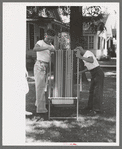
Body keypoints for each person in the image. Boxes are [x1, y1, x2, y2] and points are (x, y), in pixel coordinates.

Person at [75, 46, 104, 114]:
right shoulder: (84, 56)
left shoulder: (87, 53)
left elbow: (91, 60)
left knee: (97, 91)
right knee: (91, 91)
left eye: (77, 51)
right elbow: (89, 66)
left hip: (98, 73)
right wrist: (81, 72)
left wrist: (80, 57)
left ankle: (97, 109)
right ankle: (90, 106)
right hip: (93, 73)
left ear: (80, 49)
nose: (76, 53)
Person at [33, 29, 56, 114]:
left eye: (51, 39)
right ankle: (41, 109)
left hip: (47, 67)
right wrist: (47, 47)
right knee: (40, 87)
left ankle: (39, 104)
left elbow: (53, 57)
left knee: (44, 87)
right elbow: (35, 49)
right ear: (45, 35)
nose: (50, 40)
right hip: (39, 65)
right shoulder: (40, 42)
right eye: (48, 38)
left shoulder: (52, 46)